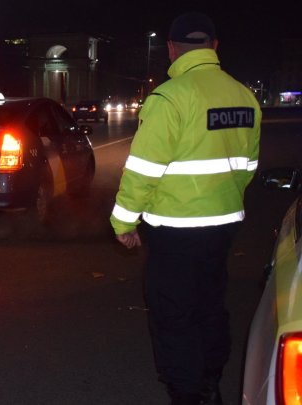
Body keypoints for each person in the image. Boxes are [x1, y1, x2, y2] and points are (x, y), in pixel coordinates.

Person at [109, 12, 261, 405]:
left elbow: (143, 170)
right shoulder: (244, 97)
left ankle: (188, 393)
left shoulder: (170, 98)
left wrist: (124, 222)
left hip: (176, 230)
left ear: (172, 50)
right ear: (214, 47)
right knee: (210, 303)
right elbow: (249, 167)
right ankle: (210, 379)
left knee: (174, 312)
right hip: (223, 225)